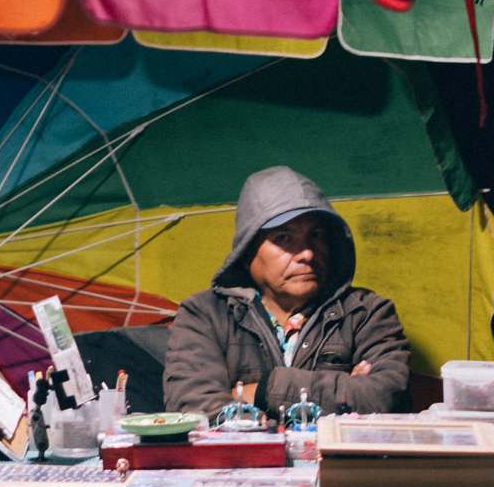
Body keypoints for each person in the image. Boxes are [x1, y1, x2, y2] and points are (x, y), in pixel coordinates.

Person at [163, 165, 411, 421]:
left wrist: (262, 391)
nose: (308, 253)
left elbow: (383, 397)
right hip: (246, 462)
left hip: (337, 462)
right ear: (247, 251)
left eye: (316, 235)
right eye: (284, 238)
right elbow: (193, 408)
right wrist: (340, 392)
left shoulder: (367, 313)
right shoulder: (203, 315)